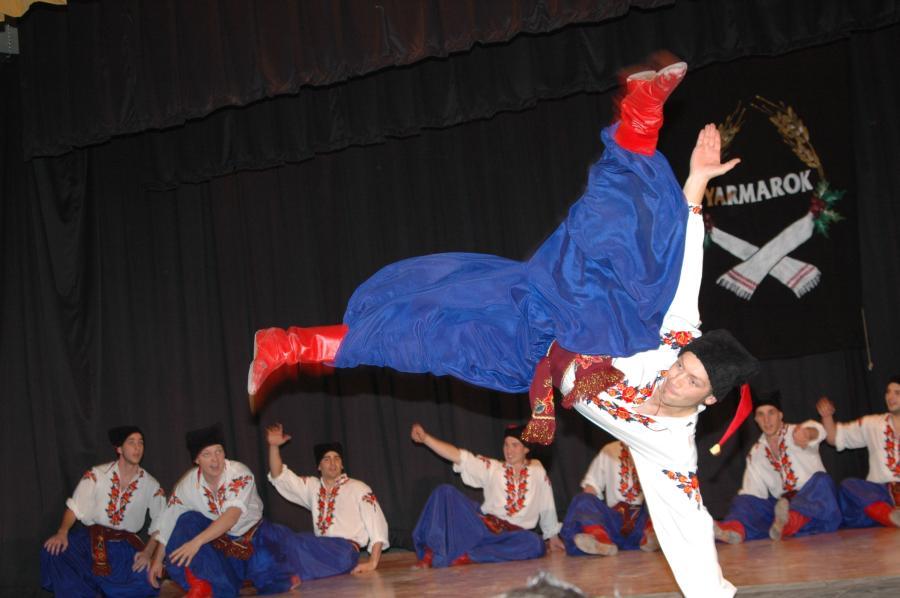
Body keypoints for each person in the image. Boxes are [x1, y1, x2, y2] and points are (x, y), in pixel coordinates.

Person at [246, 59, 697, 418]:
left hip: (513, 349)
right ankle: (640, 122)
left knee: (416, 335)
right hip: (555, 307)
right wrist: (698, 182)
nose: (681, 379)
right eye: (689, 374)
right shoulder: (664, 346)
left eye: (691, 382)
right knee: (625, 256)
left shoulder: (666, 438)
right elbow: (683, 278)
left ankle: (285, 346)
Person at [149, 424, 301, 597]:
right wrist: (157, 560)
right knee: (187, 520)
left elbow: (231, 517)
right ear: (197, 460)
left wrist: (196, 542)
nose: (215, 460)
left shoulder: (239, 473)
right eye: (207, 454)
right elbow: (169, 520)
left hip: (253, 539)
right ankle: (205, 586)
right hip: (221, 545)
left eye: (218, 451)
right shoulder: (188, 484)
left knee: (272, 583)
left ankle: (275, 572)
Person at [409, 423, 564, 568]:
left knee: (535, 544)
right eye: (506, 444)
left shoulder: (537, 470)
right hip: (484, 529)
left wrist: (553, 536)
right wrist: (426, 439)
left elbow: (546, 503)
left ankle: (466, 555)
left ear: (526, 449)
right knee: (445, 492)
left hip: (514, 536)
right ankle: (435, 551)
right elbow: (458, 456)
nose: (508, 450)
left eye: (514, 445)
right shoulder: (493, 468)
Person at [40, 426, 165, 598]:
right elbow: (75, 507)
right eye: (131, 442)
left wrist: (148, 553)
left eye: (140, 443)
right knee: (54, 552)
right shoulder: (97, 474)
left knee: (145, 581)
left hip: (124, 547)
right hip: (89, 540)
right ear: (119, 449)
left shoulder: (151, 485)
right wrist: (62, 532)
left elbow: (161, 523)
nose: (137, 448)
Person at [265, 423, 389, 580]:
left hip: (344, 552)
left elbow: (377, 524)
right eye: (327, 459)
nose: (333, 463)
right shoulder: (312, 487)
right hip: (319, 551)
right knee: (276, 534)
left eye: (337, 458)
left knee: (295, 543)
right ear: (319, 466)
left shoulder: (358, 488)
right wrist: (274, 447)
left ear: (342, 464)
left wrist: (373, 562)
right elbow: (279, 476)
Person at [714, 391, 839, 544]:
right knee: (744, 500)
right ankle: (733, 529)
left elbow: (818, 431)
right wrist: (745, 508)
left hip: (812, 500)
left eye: (771, 413)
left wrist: (807, 433)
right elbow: (753, 493)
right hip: (780, 506)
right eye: (761, 415)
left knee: (822, 481)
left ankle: (788, 522)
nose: (766, 420)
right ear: (756, 419)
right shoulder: (756, 453)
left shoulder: (796, 431)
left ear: (780, 415)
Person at [816, 376, 900, 528]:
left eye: (897, 393)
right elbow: (834, 437)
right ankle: (889, 516)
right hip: (879, 494)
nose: (890, 397)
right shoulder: (873, 424)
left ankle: (886, 517)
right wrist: (827, 416)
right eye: (888, 392)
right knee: (849, 486)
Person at [560, 440, 658, 556]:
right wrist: (587, 514)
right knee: (582, 499)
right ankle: (600, 539)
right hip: (614, 521)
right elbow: (591, 487)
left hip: (641, 520)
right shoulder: (609, 450)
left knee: (658, 503)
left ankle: (652, 535)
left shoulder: (654, 449)